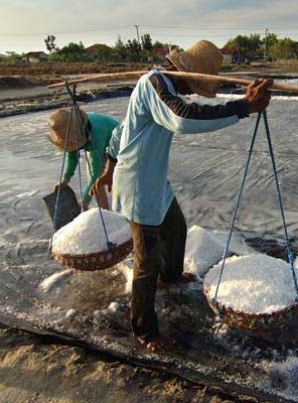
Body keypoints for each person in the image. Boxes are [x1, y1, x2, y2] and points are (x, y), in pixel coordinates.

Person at [93, 40, 272, 351]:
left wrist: (108, 165)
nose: (192, 92)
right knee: (146, 261)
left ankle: (171, 275)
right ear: (188, 75)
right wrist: (244, 106)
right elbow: (183, 117)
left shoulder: (159, 87)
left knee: (176, 227)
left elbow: (120, 132)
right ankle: (145, 330)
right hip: (139, 187)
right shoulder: (154, 83)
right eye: (195, 86)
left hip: (155, 181)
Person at [47, 108, 119, 210]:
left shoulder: (96, 133)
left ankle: (123, 212)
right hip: (96, 144)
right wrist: (65, 180)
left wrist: (85, 200)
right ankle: (105, 211)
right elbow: (71, 156)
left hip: (118, 143)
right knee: (94, 181)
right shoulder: (70, 132)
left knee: (112, 177)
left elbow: (96, 173)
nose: (68, 144)